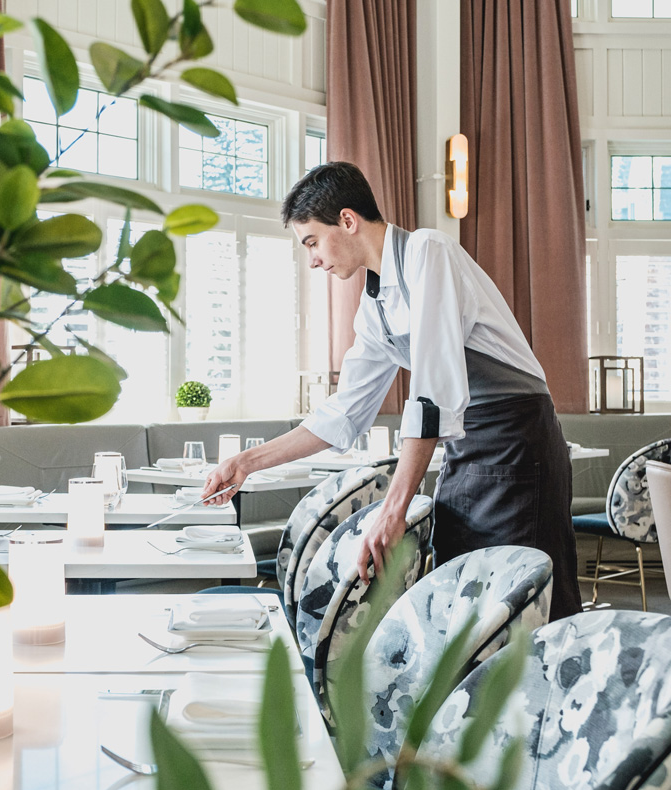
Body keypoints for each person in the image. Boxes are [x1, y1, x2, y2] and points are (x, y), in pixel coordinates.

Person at [203, 161, 581, 621]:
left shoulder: (428, 251)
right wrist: (247, 462)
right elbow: (344, 413)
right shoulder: (375, 309)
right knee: (463, 607)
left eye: (312, 242)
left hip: (518, 443)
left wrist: (394, 506)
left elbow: (434, 390)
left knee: (526, 607)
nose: (313, 260)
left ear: (347, 220)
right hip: (466, 451)